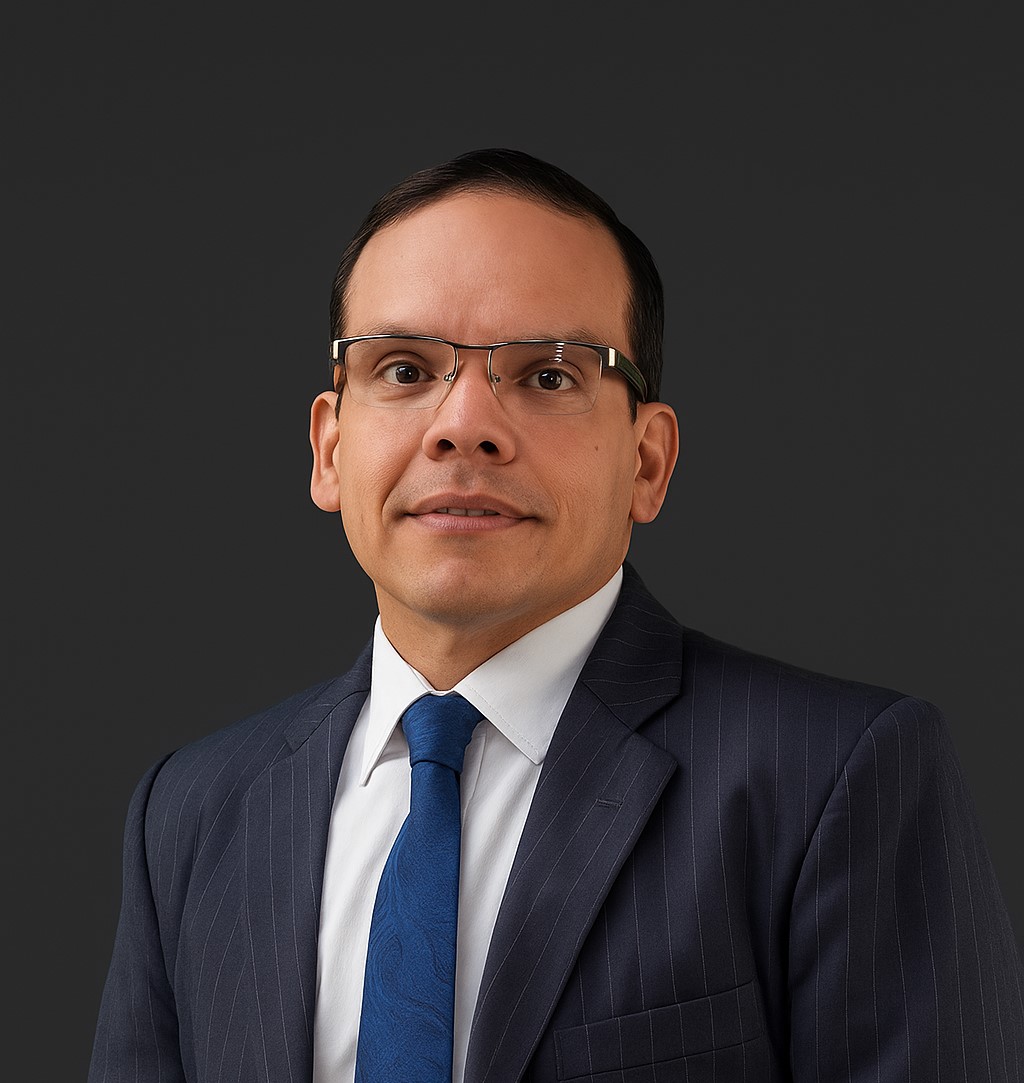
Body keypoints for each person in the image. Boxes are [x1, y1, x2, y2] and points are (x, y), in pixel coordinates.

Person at [89, 147, 1023, 1083]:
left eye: (547, 375)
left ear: (648, 462)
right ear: (330, 448)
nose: (463, 424)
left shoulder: (835, 779)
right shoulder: (193, 814)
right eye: (405, 368)